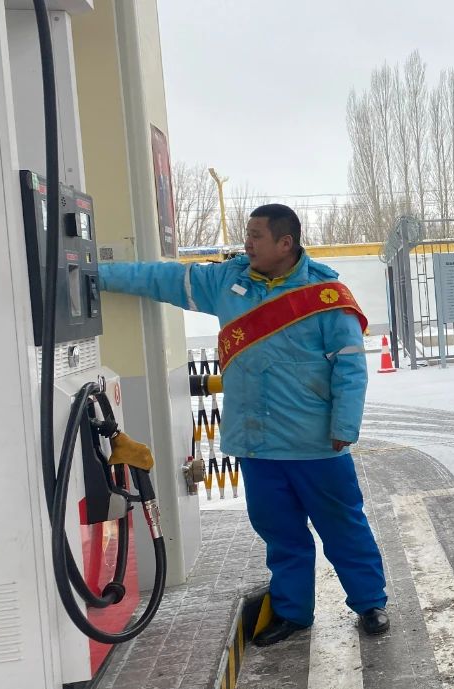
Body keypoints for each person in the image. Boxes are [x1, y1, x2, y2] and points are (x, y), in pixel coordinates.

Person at [100, 204, 390, 646]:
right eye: (247, 234)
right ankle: (292, 612)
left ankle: (370, 603)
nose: (247, 243)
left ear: (285, 243)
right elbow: (161, 279)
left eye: (256, 236)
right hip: (257, 443)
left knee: (343, 526)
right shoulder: (227, 282)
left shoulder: (326, 296)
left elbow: (350, 368)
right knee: (279, 534)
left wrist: (344, 426)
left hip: (316, 443)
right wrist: (96, 275)